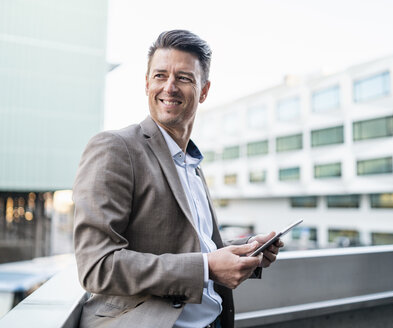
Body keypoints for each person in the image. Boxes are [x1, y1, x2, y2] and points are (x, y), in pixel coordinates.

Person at [73, 29, 283, 328]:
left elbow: (193, 247)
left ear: (204, 90)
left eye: (183, 78)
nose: (169, 87)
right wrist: (206, 267)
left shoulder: (192, 165)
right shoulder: (116, 148)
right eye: (160, 76)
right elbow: (97, 267)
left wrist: (247, 249)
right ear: (147, 83)